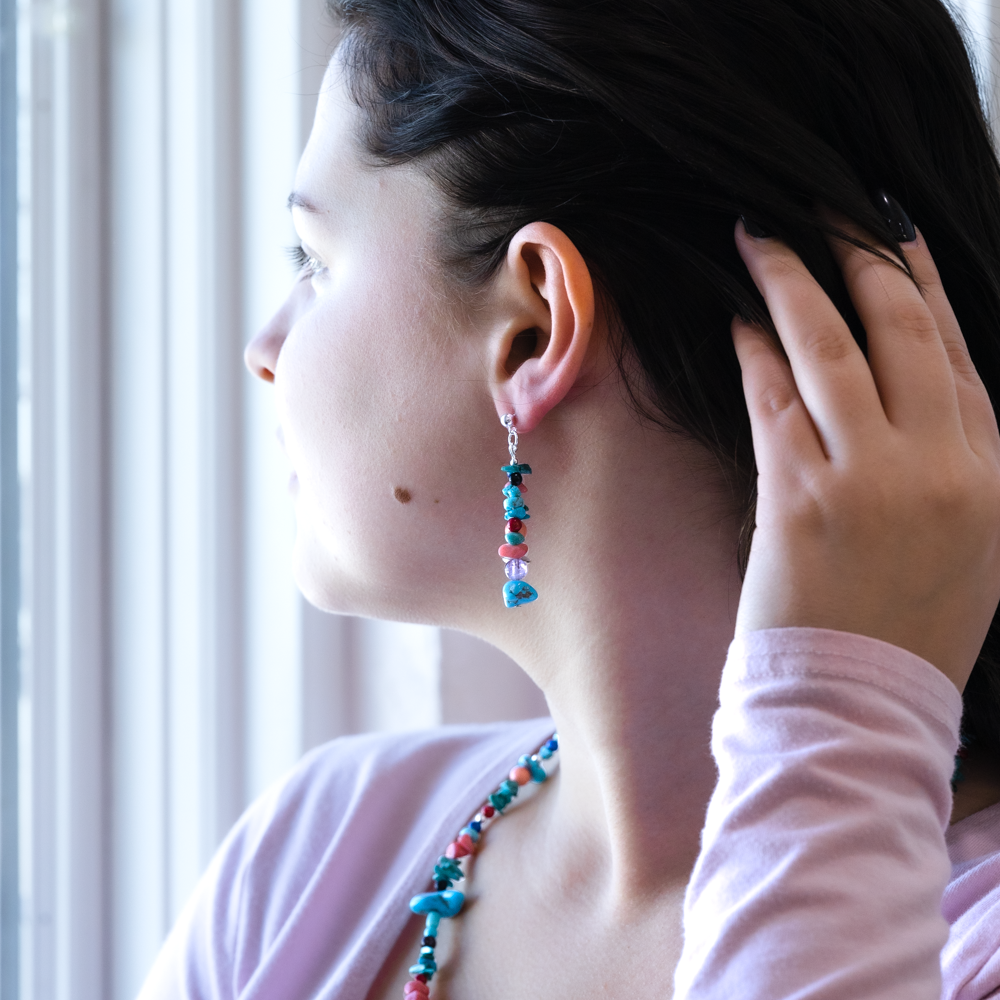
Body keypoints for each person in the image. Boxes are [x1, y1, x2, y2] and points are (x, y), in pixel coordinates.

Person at [139, 0, 1000, 997]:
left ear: (534, 327)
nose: (264, 351)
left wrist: (838, 714)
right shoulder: (307, 859)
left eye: (316, 262)